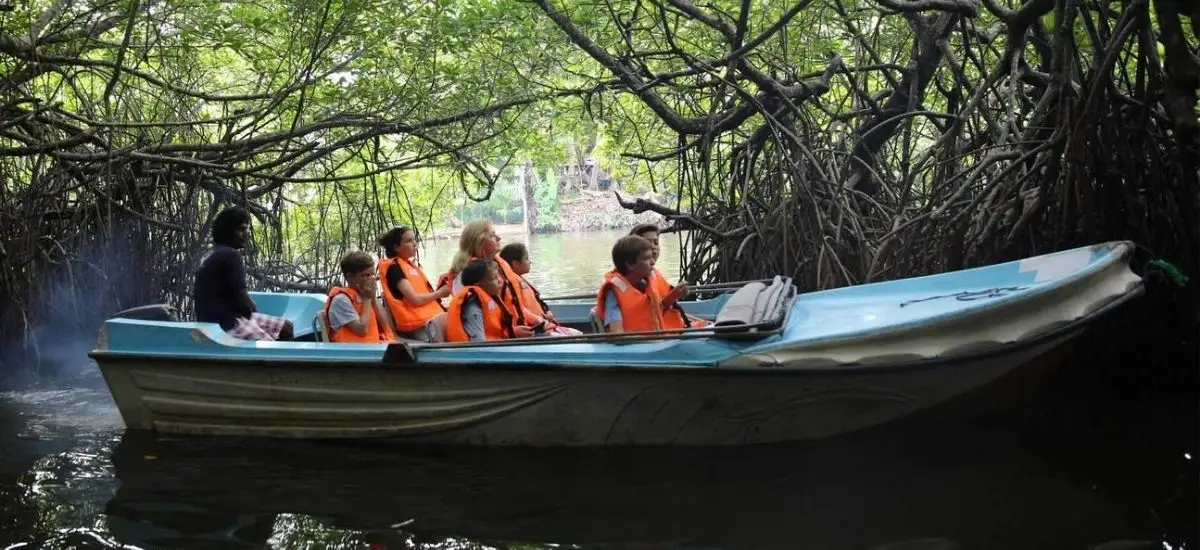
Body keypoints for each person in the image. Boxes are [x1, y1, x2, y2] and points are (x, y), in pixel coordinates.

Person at [193, 206, 294, 341]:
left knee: (286, 327)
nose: (247, 233)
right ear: (228, 231)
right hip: (227, 324)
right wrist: (254, 310)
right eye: (242, 229)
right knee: (271, 346)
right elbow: (241, 296)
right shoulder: (231, 255)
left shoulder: (210, 254)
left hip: (218, 320)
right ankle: (282, 361)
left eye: (247, 229)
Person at [440, 219, 537, 331]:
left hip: (513, 332)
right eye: (492, 235)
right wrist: (513, 332)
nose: (499, 238)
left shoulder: (493, 267)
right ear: (479, 242)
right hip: (498, 341)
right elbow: (471, 320)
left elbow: (511, 305)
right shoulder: (467, 274)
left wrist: (538, 320)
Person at [595, 235, 686, 333]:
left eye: (652, 257)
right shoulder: (614, 294)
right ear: (630, 264)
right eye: (647, 258)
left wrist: (673, 296)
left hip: (656, 341)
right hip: (638, 346)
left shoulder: (645, 282)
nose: (653, 262)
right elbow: (617, 334)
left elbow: (655, 313)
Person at [629, 223, 710, 329]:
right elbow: (647, 320)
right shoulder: (636, 279)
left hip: (675, 328)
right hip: (664, 337)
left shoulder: (653, 274)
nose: (653, 247)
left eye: (656, 242)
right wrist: (673, 296)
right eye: (647, 243)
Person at [377, 226, 450, 342]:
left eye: (414, 239)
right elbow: (414, 299)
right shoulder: (394, 268)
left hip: (430, 320)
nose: (414, 244)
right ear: (397, 247)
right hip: (419, 326)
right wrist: (439, 293)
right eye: (409, 241)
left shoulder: (409, 266)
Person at [499, 243, 583, 336]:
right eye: (526, 259)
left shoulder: (521, 281)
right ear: (516, 263)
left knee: (578, 334)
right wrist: (540, 320)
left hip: (546, 325)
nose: (530, 262)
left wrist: (547, 314)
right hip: (536, 330)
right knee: (576, 337)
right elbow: (520, 311)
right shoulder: (509, 287)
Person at [444, 259, 535, 342]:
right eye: (494, 278)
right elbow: (479, 345)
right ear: (478, 284)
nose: (499, 281)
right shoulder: (472, 305)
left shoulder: (489, 298)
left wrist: (513, 332)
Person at [323, 251, 396, 343]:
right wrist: (367, 299)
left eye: (372, 274)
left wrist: (373, 298)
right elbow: (362, 330)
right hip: (353, 353)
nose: (371, 279)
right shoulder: (341, 300)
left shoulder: (365, 295)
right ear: (350, 276)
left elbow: (386, 326)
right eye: (366, 275)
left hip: (372, 349)